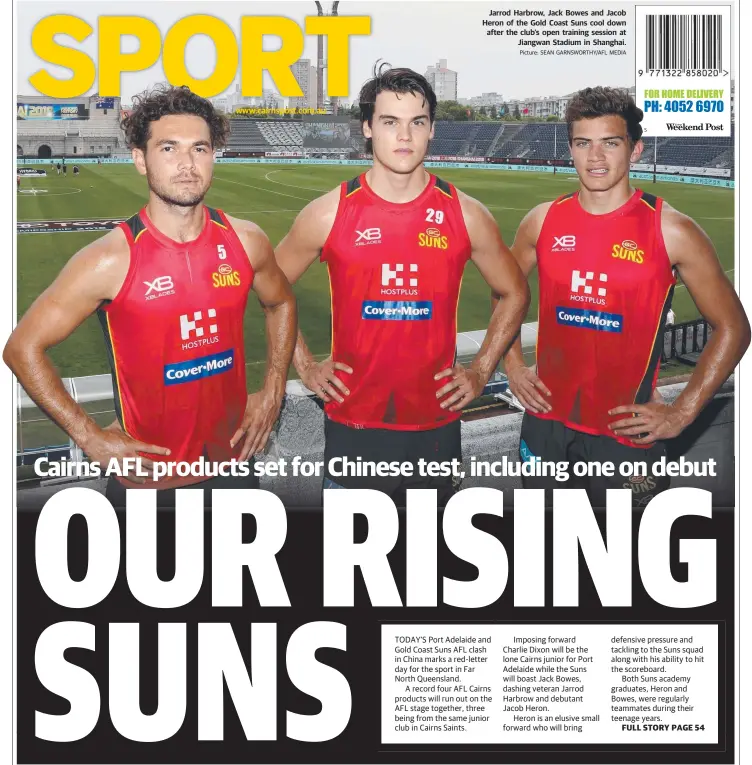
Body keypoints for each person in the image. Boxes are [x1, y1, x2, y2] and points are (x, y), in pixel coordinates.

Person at [4, 85, 297, 505]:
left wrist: (273, 390)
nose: (186, 164)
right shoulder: (108, 260)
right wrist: (91, 437)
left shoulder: (247, 240)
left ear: (214, 155)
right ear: (140, 159)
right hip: (148, 487)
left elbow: (281, 302)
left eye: (199, 148)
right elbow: (22, 348)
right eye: (168, 149)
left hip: (235, 470)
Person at [275, 66, 529, 506]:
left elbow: (515, 291)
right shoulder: (327, 213)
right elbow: (269, 289)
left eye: (417, 121)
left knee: (430, 564)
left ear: (432, 130)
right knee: (348, 567)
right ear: (368, 128)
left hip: (436, 428)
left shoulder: (466, 214)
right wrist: (307, 366)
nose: (404, 135)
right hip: (354, 428)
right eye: (390, 121)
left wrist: (482, 369)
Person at [500, 86, 749, 505]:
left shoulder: (672, 230)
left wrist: (682, 411)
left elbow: (734, 328)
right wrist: (513, 366)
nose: (595, 158)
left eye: (610, 143)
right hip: (545, 424)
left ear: (634, 150)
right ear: (571, 149)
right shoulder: (541, 220)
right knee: (545, 547)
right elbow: (504, 291)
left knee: (625, 556)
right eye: (583, 144)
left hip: (626, 433)